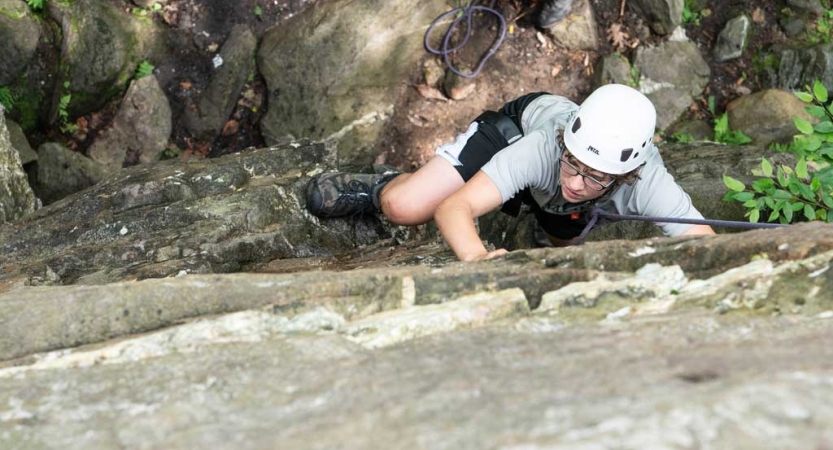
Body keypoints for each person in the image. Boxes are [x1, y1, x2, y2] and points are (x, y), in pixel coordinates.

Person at [305, 84, 715, 262]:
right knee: (405, 207)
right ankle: (382, 184)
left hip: (553, 187)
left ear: (626, 175)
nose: (574, 182)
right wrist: (477, 257)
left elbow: (704, 244)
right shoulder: (543, 147)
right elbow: (455, 207)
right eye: (573, 164)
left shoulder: (648, 181)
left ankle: (545, 222)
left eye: (593, 176)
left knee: (562, 239)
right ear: (565, 145)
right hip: (514, 133)